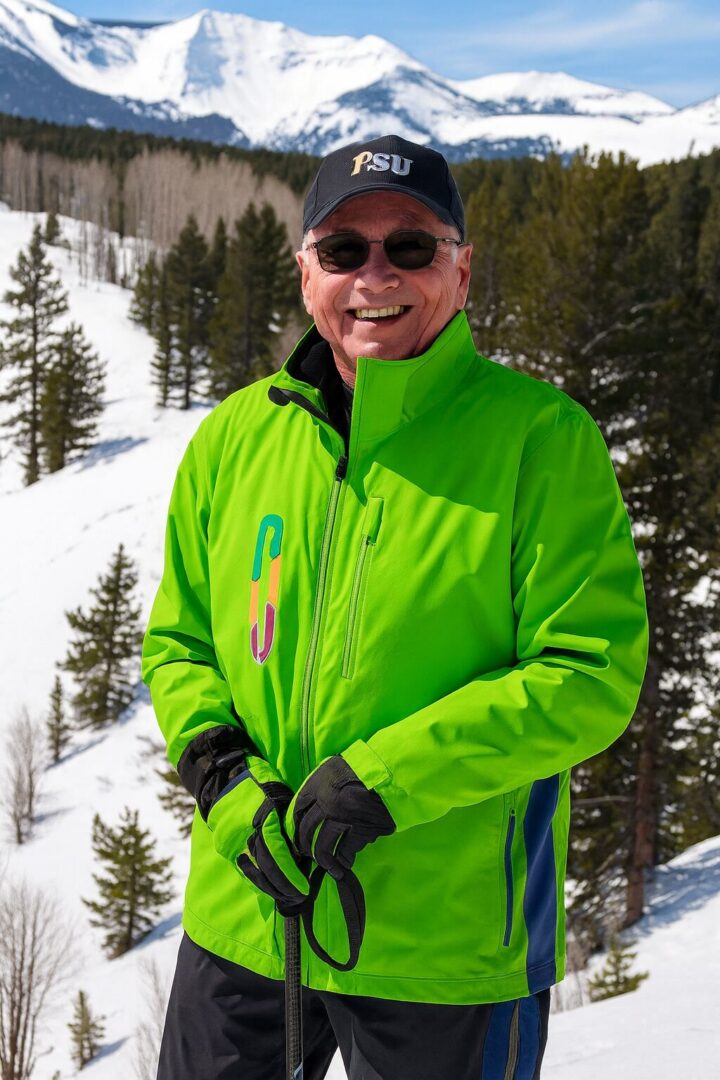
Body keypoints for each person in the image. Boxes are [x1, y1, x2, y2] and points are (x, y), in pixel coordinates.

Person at [141, 133, 649, 1079]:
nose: (376, 274)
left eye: (410, 247)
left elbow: (588, 674)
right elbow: (178, 640)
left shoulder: (540, 441)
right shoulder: (235, 437)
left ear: (461, 271)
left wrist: (384, 779)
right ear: (305, 275)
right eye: (344, 250)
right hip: (248, 919)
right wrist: (222, 778)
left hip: (446, 951)